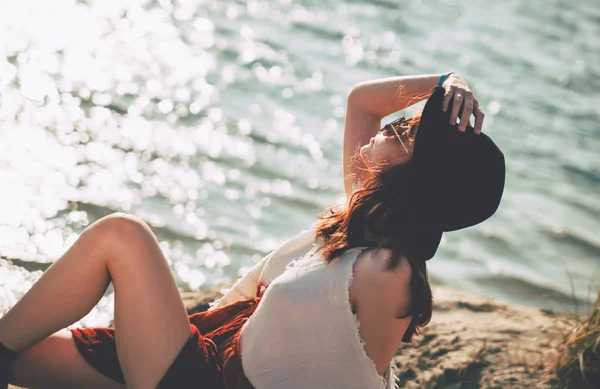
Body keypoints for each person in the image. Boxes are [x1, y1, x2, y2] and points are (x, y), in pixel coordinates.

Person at [0, 73, 505, 389]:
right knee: (23, 360)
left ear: (413, 175)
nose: (387, 126)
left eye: (405, 132)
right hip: (206, 346)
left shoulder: (390, 272)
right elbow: (362, 102)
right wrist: (443, 81)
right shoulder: (360, 216)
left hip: (207, 381)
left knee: (122, 235)